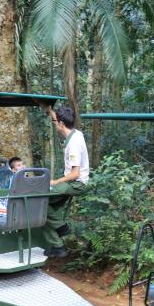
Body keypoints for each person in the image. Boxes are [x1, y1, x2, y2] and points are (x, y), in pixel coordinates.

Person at [40, 105, 89, 258]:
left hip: (75, 184)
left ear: (61, 123)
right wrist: (50, 110)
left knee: (38, 200)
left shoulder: (74, 144)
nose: (55, 125)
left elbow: (75, 174)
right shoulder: (76, 133)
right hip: (72, 183)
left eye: (56, 123)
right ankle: (57, 247)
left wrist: (55, 182)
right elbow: (57, 118)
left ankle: (61, 227)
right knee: (41, 209)